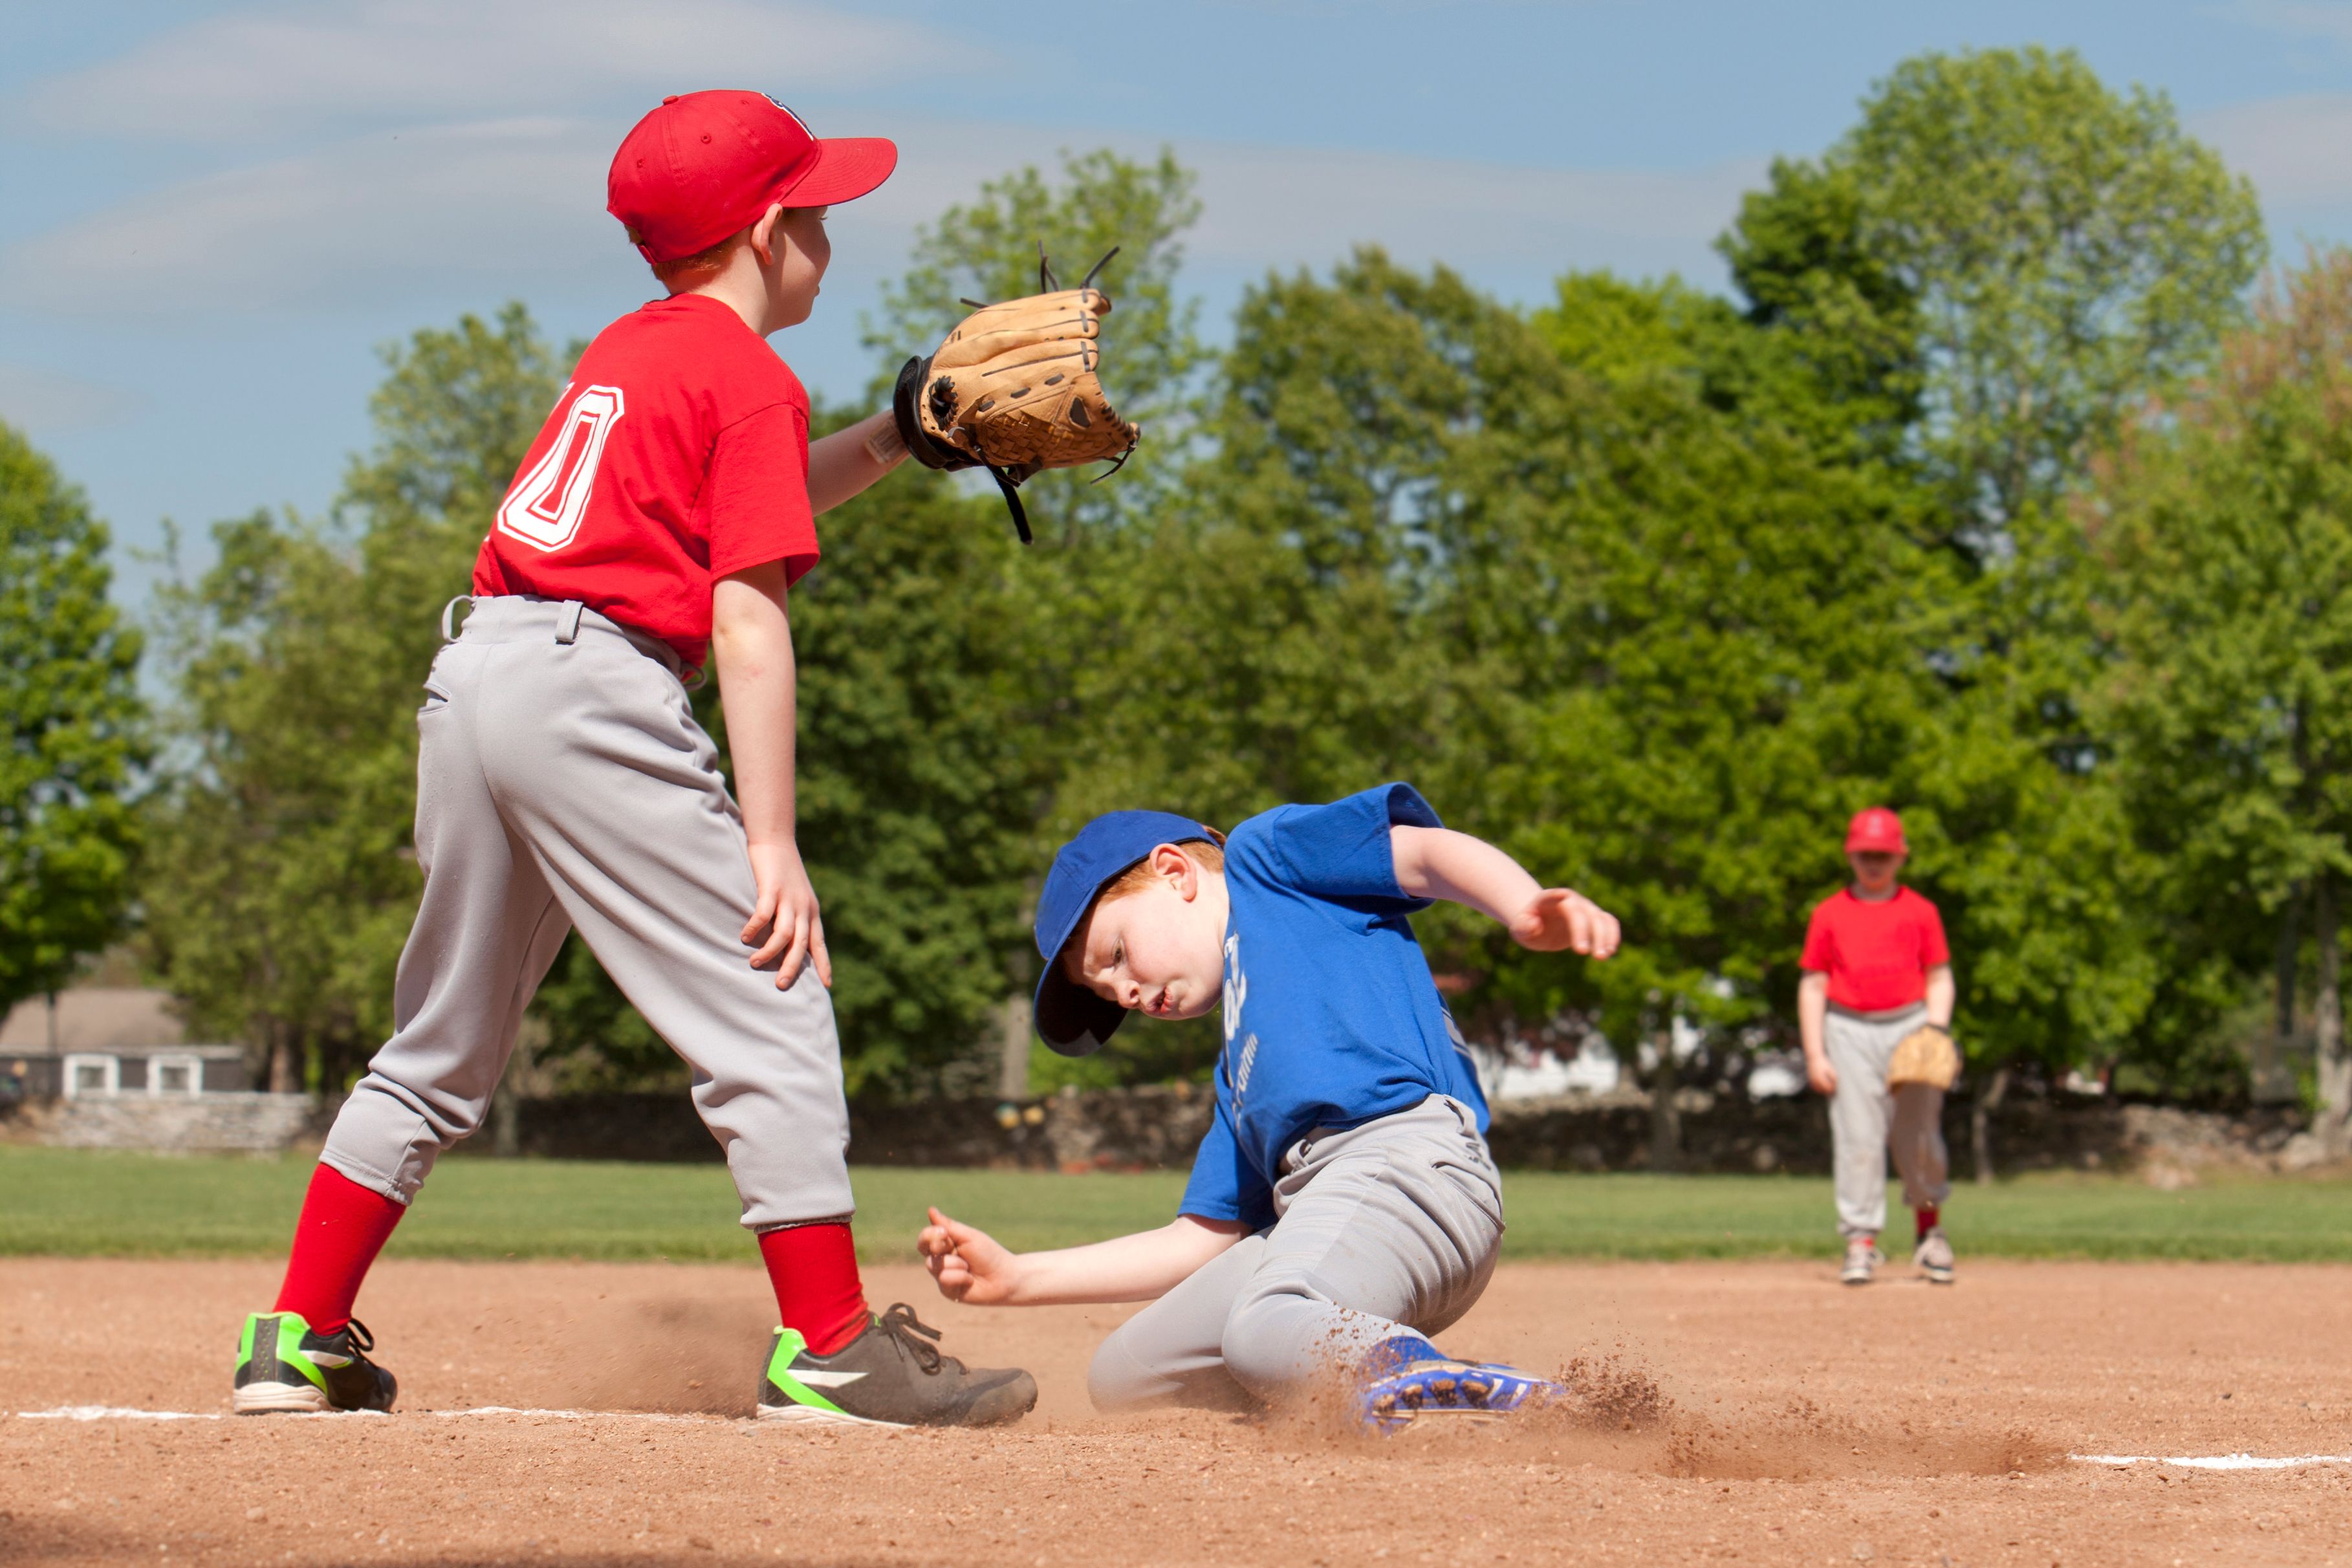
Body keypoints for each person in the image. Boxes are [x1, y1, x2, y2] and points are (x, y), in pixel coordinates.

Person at [231, 91, 1035, 1429]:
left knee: (437, 1041)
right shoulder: (750, 376)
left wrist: (899, 437)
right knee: (769, 995)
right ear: (771, 231)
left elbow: (730, 497)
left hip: (481, 667)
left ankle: (297, 1336)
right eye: (820, 216)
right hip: (590, 691)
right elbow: (746, 609)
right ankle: (833, 1348)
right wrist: (772, 843)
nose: (831, 238)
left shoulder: (636, 353)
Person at [915, 785, 1622, 1431]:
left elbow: (1423, 856)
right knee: (1130, 1376)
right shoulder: (1240, 1073)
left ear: (1175, 871)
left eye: (1119, 954)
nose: (1125, 993)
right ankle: (1369, 1374)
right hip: (1326, 1217)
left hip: (1411, 1168)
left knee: (1264, 1327)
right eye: (1108, 996)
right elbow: (1198, 1240)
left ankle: (1427, 1388)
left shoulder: (1265, 862)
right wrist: (1018, 1277)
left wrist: (1521, 905)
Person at [1797, 807, 1955, 1286]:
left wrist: (1935, 1029)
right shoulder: (1829, 913)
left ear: (1900, 857)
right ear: (1851, 855)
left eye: (1883, 854)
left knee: (1919, 1137)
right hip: (1847, 1029)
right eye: (1866, 854)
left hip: (1910, 1024)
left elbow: (1939, 976)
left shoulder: (1921, 910)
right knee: (1858, 1137)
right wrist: (1815, 1054)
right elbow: (1812, 985)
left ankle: (1930, 1235)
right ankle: (1860, 1241)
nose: (1874, 863)